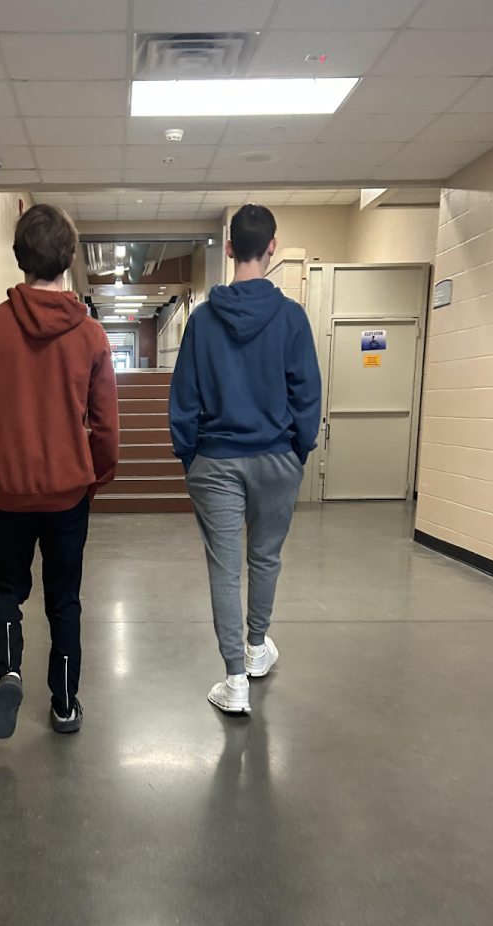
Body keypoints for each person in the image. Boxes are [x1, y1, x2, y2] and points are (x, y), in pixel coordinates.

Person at [0, 204, 119, 739]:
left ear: (19, 256)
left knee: (5, 590)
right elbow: (106, 427)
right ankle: (66, 703)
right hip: (67, 494)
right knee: (64, 598)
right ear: (70, 257)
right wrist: (92, 478)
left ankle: (9, 669)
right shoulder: (91, 337)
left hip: (5, 494)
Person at [169, 204, 321, 715]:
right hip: (278, 456)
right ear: (271, 246)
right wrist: (298, 450)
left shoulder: (203, 321)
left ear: (230, 248)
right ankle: (257, 647)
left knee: (224, 567)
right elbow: (306, 394)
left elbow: (184, 397)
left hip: (215, 461)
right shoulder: (293, 318)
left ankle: (235, 679)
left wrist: (189, 455)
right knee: (265, 557)